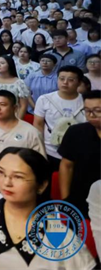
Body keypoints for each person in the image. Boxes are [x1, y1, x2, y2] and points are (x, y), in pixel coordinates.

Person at [0, 147, 96, 269]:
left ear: (41, 185)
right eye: (1, 173)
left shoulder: (58, 234)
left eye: (18, 177)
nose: (6, 182)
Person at [0, 90, 46, 190]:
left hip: (16, 187)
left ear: (15, 108)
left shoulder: (31, 132)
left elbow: (40, 164)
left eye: (3, 104)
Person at [58, 90, 101, 219]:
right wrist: (66, 199)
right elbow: (66, 166)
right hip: (81, 198)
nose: (91, 115)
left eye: (98, 110)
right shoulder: (76, 132)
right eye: (87, 111)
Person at [33, 66, 85, 171]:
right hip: (50, 150)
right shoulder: (44, 99)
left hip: (79, 151)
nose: (65, 82)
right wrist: (40, 150)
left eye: (71, 80)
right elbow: (38, 124)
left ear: (79, 82)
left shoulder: (86, 101)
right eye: (61, 79)